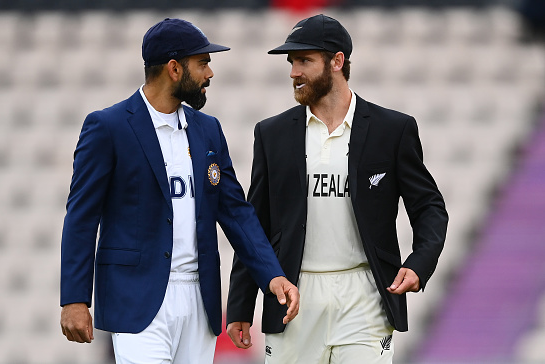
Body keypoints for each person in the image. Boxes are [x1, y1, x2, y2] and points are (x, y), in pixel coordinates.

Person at [59, 18, 299, 364]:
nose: (210, 73)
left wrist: (272, 275)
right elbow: (81, 217)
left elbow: (235, 211)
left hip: (200, 302)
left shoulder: (208, 130)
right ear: (174, 68)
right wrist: (74, 298)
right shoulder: (108, 127)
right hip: (137, 299)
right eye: (202, 63)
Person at [226, 14, 448, 363]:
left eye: (304, 60)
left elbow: (429, 207)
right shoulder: (271, 134)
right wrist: (240, 303)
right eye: (291, 62)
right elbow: (256, 224)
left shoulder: (393, 129)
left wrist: (420, 262)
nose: (293, 71)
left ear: (337, 61)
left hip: (365, 295)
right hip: (293, 298)